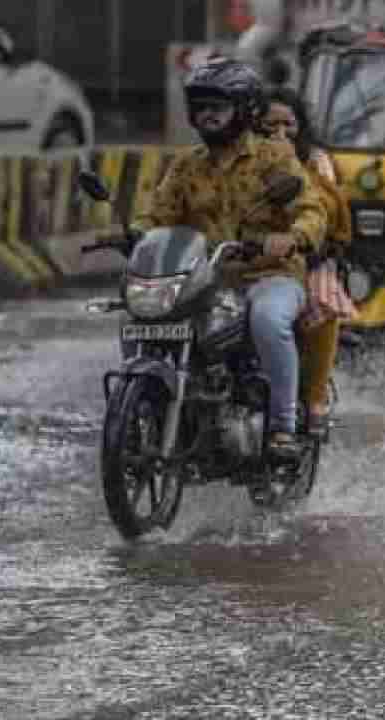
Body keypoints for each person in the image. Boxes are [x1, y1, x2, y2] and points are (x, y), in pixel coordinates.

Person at [134, 58, 327, 458]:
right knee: (140, 316)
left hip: (269, 274)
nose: (208, 115)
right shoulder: (186, 165)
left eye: (218, 106)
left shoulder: (274, 158)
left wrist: (292, 237)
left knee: (268, 320)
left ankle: (282, 426)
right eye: (201, 106)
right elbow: (158, 216)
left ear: (245, 109)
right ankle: (145, 413)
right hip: (203, 279)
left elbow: (312, 210)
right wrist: (136, 235)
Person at [258, 86, 357, 436]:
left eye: (289, 124)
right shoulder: (236, 161)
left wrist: (301, 239)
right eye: (270, 126)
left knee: (322, 299)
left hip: (310, 257)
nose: (280, 134)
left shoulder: (315, 163)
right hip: (246, 259)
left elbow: (326, 211)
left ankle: (315, 397)